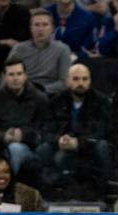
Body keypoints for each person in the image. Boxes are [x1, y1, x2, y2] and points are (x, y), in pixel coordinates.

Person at [42, 62, 112, 197]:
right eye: (76, 79)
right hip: (62, 145)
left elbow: (103, 131)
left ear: (90, 81)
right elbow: (46, 130)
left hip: (89, 146)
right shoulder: (56, 101)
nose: (81, 83)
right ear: (68, 81)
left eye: (85, 79)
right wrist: (59, 140)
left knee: (102, 146)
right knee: (43, 148)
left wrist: (79, 142)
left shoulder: (101, 101)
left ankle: (104, 192)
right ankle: (48, 194)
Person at [0, 60, 49, 180]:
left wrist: (23, 135)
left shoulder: (40, 98)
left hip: (27, 146)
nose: (15, 78)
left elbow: (44, 130)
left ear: (25, 76)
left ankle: (9, 191)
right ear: (4, 77)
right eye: (11, 74)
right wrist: (3, 136)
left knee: (15, 149)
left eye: (19, 74)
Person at [7, 9, 73, 96]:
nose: (40, 29)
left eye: (45, 25)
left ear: (52, 28)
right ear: (30, 28)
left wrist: (42, 90)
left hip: (50, 94)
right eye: (36, 25)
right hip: (21, 93)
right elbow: (5, 75)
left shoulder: (62, 49)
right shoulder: (19, 49)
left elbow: (64, 82)